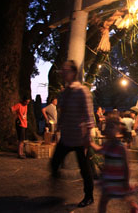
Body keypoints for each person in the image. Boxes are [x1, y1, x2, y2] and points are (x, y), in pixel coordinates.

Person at [50, 60, 96, 208]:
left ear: (73, 73)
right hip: (66, 136)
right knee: (54, 162)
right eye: (62, 70)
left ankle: (89, 196)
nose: (63, 73)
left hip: (80, 137)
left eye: (66, 70)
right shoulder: (63, 93)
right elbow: (62, 113)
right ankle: (56, 191)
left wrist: (88, 136)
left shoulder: (82, 91)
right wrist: (57, 129)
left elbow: (89, 115)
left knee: (85, 168)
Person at [90, 114, 138, 213]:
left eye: (110, 128)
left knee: (125, 197)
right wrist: (89, 142)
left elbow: (126, 166)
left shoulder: (121, 147)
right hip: (108, 179)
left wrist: (126, 181)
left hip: (119, 180)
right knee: (104, 201)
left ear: (117, 130)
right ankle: (133, 206)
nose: (107, 130)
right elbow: (99, 150)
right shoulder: (107, 144)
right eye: (106, 127)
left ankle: (134, 207)